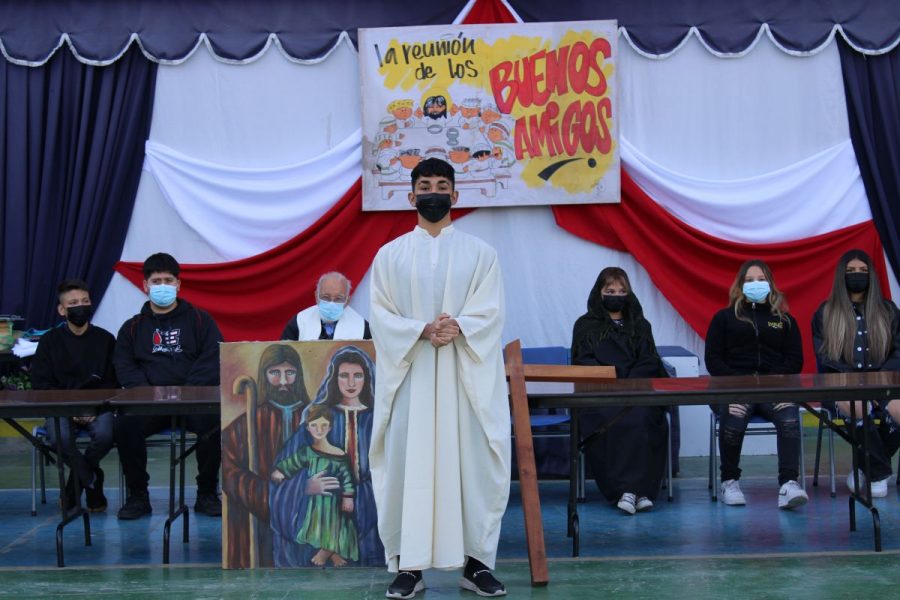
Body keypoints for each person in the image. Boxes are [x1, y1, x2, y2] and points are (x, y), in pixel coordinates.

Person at [369, 157, 510, 598]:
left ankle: (477, 564)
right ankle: (408, 567)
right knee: (409, 465)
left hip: (464, 378)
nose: (434, 192)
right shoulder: (389, 255)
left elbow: (491, 310)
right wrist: (420, 330)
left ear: (455, 194)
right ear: (410, 196)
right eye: (425, 185)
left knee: (473, 464)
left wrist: (459, 325)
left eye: (442, 185)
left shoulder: (480, 253)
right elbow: (381, 314)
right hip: (412, 379)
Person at [113, 253, 224, 519]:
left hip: (192, 400)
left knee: (216, 422)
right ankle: (138, 496)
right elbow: (125, 366)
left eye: (168, 280)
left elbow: (213, 358)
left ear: (178, 284)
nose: (162, 285)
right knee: (125, 425)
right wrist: (149, 393)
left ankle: (207, 493)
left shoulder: (200, 321)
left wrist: (187, 392)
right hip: (150, 402)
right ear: (145, 286)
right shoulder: (131, 328)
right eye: (156, 280)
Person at [705, 259, 808, 509]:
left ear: (770, 285)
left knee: (789, 415)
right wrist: (737, 385)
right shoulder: (723, 318)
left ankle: (788, 484)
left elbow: (795, 360)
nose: (756, 284)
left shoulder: (784, 320)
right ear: (740, 286)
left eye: (761, 279)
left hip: (773, 390)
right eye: (749, 280)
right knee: (734, 414)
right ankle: (729, 481)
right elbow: (713, 359)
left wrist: (775, 382)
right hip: (734, 389)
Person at [270, 345, 383, 567]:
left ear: (366, 379)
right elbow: (289, 465)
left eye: (358, 376)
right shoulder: (319, 418)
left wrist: (359, 496)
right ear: (334, 378)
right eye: (344, 375)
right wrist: (305, 485)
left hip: (372, 509)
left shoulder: (378, 419)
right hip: (319, 507)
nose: (351, 384)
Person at [570, 267, 670, 515]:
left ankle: (640, 491)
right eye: (610, 290)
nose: (616, 295)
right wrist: (612, 380)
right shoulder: (584, 326)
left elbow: (649, 361)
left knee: (645, 418)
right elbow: (582, 361)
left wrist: (630, 382)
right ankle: (625, 491)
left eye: (622, 291)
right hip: (601, 395)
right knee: (619, 420)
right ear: (599, 293)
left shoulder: (641, 325)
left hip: (638, 392)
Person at [811, 249, 900, 497]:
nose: (857, 276)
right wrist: (860, 385)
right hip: (841, 387)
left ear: (871, 276)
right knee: (858, 406)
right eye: (851, 272)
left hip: (884, 385)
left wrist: (876, 384)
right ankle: (880, 472)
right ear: (842, 277)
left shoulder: (889, 310)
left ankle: (865, 468)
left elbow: (898, 353)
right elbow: (826, 357)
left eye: (863, 271)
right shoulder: (826, 312)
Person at [30, 279, 118, 512]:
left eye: (85, 301)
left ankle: (74, 486)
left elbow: (113, 382)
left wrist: (93, 408)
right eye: (73, 303)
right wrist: (71, 408)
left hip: (98, 407)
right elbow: (41, 383)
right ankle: (92, 478)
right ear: (62, 310)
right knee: (59, 438)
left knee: (106, 435)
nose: (81, 306)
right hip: (61, 407)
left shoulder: (106, 339)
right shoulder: (49, 341)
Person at [222, 343, 311, 568]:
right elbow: (229, 470)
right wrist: (269, 498)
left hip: (312, 519)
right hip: (262, 522)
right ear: (264, 375)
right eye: (274, 373)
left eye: (289, 373)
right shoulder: (246, 424)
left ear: (298, 375)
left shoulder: (317, 419)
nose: (282, 381)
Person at [271, 403, 357, 567]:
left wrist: (348, 497)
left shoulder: (339, 454)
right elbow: (292, 463)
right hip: (316, 504)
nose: (319, 429)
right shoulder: (307, 452)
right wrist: (281, 472)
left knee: (337, 524)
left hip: (334, 502)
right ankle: (333, 554)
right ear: (308, 428)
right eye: (314, 425)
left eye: (324, 425)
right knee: (320, 527)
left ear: (330, 427)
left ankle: (324, 554)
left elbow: (347, 478)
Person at [280, 272, 371, 341]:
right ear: (316, 296)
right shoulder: (299, 322)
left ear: (347, 301)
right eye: (326, 298)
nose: (331, 303)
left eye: (338, 299)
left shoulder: (363, 328)